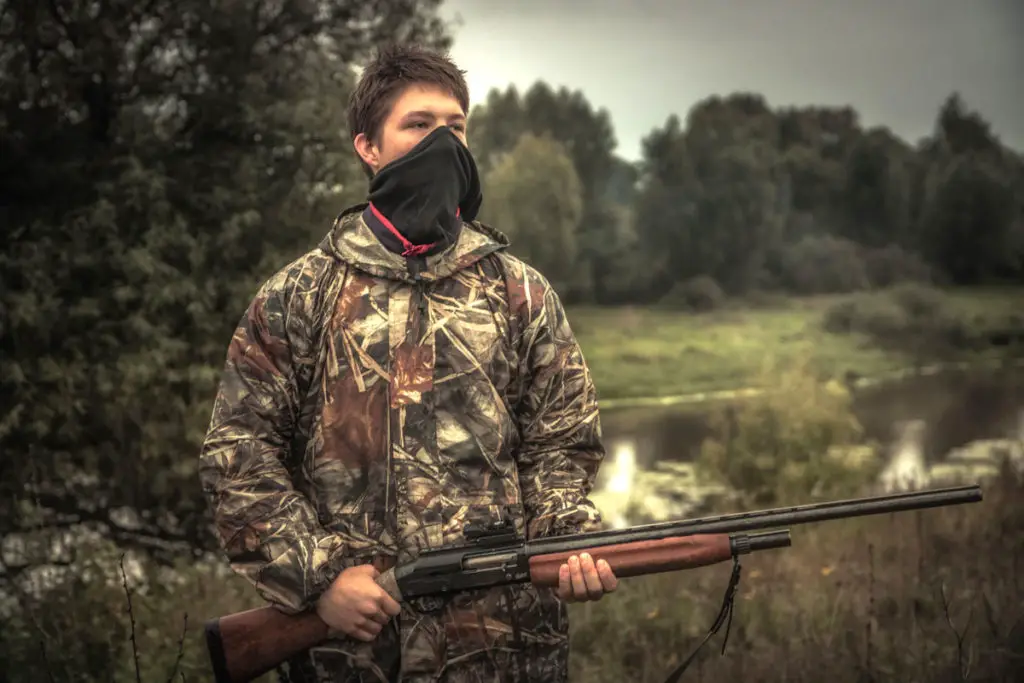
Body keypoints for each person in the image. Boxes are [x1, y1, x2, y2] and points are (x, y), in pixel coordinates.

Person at [198, 43, 616, 683]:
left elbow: (562, 444)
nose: (444, 145)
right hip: (351, 655)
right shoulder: (299, 297)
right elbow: (239, 454)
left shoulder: (518, 292)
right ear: (368, 146)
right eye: (419, 126)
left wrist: (569, 541)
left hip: (504, 649)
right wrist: (320, 581)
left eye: (456, 128)